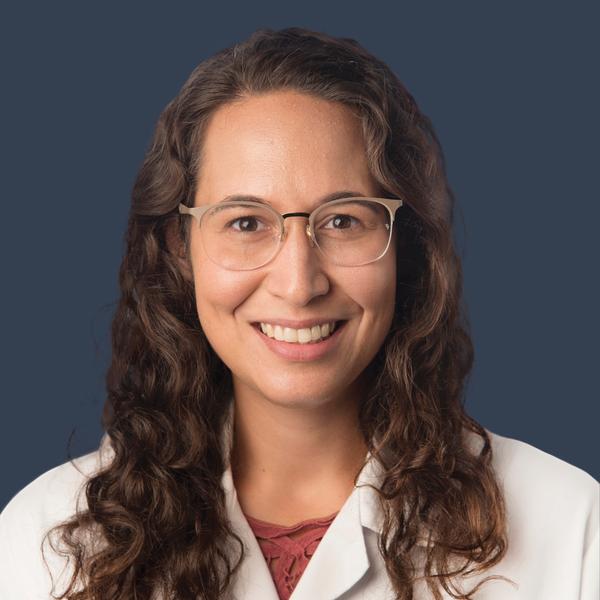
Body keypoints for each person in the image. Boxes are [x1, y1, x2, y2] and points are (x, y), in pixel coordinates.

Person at [0, 26, 597, 600]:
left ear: (405, 243)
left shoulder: (571, 526)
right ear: (181, 249)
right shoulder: (44, 543)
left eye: (343, 220)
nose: (298, 284)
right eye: (245, 223)